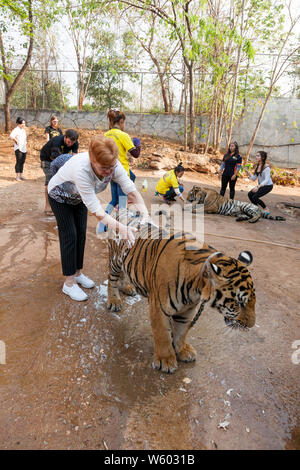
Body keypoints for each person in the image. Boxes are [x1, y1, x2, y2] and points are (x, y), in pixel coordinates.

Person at [47, 135, 149, 302]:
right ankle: (69, 283)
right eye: (103, 168)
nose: (109, 172)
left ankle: (77, 273)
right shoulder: (82, 169)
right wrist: (122, 228)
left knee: (81, 233)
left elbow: (131, 191)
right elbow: (97, 212)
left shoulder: (114, 165)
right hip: (59, 196)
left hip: (78, 197)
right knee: (70, 235)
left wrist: (145, 214)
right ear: (92, 160)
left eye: (111, 167)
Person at [97, 108, 141, 234]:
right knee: (122, 203)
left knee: (115, 200)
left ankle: (102, 224)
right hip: (122, 173)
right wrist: (137, 143)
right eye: (124, 122)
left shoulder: (106, 135)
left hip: (110, 172)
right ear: (121, 121)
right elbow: (136, 154)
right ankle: (121, 232)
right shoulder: (123, 135)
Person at [40, 129, 79, 215]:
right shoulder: (57, 142)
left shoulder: (75, 143)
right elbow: (56, 160)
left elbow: (75, 157)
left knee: (63, 181)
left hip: (60, 159)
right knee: (50, 181)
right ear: (65, 137)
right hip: (47, 159)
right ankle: (48, 207)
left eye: (72, 143)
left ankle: (63, 203)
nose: (70, 144)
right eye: (68, 142)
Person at [9, 117, 27, 182]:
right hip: (18, 148)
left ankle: (21, 175)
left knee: (22, 162)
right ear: (19, 124)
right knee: (18, 162)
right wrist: (16, 141)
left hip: (24, 148)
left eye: (24, 123)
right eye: (23, 123)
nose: (24, 124)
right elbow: (11, 136)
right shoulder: (16, 129)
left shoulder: (23, 130)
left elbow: (24, 140)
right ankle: (17, 177)